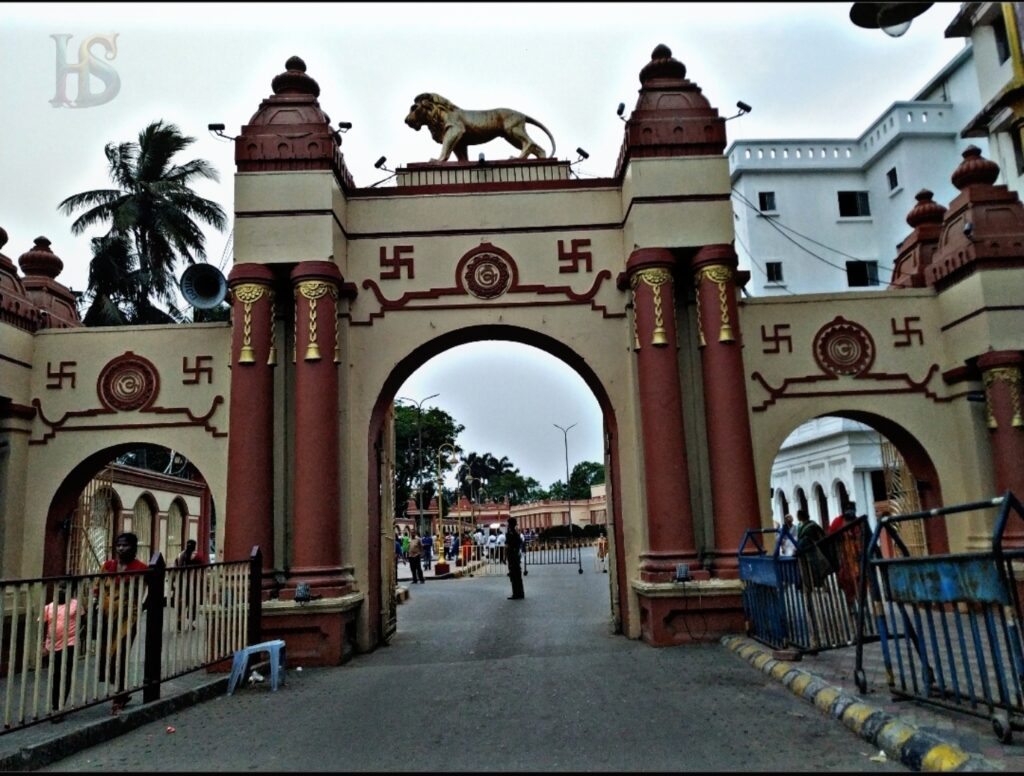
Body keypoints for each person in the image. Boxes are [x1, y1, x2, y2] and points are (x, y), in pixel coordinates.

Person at [95, 532, 148, 714]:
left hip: (128, 618)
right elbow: (97, 587)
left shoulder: (141, 567)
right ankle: (122, 691)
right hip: (107, 616)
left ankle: (119, 695)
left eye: (124, 545)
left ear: (133, 547)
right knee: (106, 654)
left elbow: (151, 589)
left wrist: (141, 606)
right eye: (118, 545)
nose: (120, 548)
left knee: (120, 653)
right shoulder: (108, 566)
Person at [41, 583, 78, 721]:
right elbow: (43, 624)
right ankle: (55, 705)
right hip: (53, 646)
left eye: (65, 589)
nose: (62, 592)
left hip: (69, 644)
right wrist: (44, 645)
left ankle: (59, 706)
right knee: (56, 675)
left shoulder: (75, 604)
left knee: (65, 674)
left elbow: (83, 619)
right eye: (60, 589)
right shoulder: (49, 607)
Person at [172, 539, 204, 630]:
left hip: (181, 583)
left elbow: (174, 569)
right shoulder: (198, 556)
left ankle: (179, 620)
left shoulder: (180, 555)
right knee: (193, 603)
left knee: (181, 602)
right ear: (195, 546)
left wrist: (173, 583)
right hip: (194, 583)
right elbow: (202, 570)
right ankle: (191, 623)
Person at [505, 517, 525, 600]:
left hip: (512, 555)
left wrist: (505, 555)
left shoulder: (510, 533)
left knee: (513, 575)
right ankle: (520, 593)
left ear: (509, 524)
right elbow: (520, 541)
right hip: (516, 555)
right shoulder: (516, 532)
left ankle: (515, 593)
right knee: (518, 574)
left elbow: (507, 545)